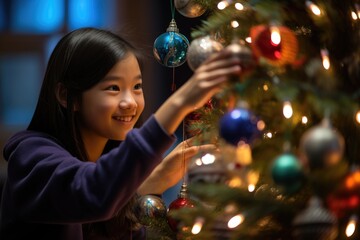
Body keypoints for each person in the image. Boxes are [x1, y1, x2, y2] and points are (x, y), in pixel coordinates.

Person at [0, 27, 241, 239]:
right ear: (65, 96)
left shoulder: (110, 160)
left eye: (137, 87)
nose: (130, 102)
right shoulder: (31, 158)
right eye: (113, 88)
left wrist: (152, 183)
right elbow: (92, 194)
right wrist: (180, 104)